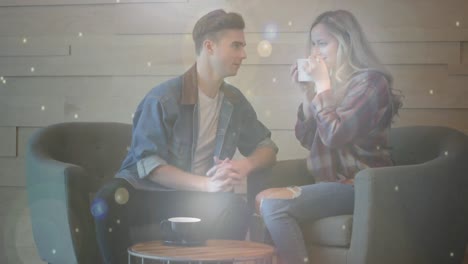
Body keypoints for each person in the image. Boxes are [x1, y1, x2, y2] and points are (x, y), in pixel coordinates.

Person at [91, 9, 278, 264]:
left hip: (196, 201)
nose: (243, 54)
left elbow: (266, 146)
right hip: (148, 193)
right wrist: (207, 185)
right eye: (236, 46)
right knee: (108, 199)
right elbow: (150, 165)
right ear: (209, 46)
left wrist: (243, 166)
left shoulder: (235, 102)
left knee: (234, 208)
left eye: (243, 46)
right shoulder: (163, 97)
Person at [256, 10, 402, 264]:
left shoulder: (370, 83)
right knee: (262, 198)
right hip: (330, 183)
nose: (316, 52)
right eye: (313, 44)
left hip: (362, 186)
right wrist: (308, 94)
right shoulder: (331, 85)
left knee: (273, 205)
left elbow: (335, 135)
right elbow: (308, 138)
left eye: (323, 43)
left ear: (346, 43)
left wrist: (323, 87)